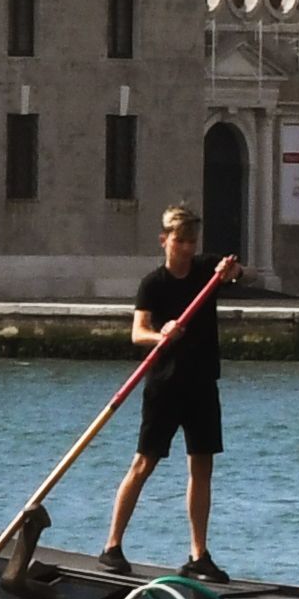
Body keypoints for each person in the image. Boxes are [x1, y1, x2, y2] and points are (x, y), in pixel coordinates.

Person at [95, 207, 227, 577]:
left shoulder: (206, 271)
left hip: (202, 385)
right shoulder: (153, 283)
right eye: (180, 240)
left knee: (202, 467)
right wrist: (161, 334)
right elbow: (138, 333)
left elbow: (238, 274)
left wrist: (231, 271)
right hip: (165, 386)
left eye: (191, 241)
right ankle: (112, 547)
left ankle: (198, 556)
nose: (186, 248)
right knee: (143, 463)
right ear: (165, 240)